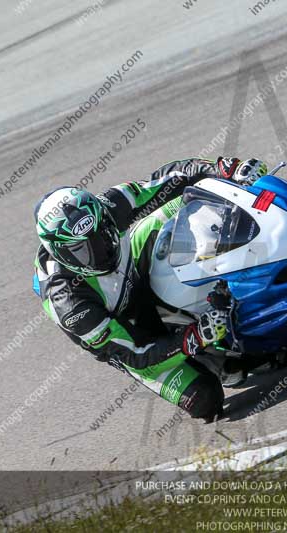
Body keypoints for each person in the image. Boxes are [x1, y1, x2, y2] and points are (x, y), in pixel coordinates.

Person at [32, 156, 268, 421]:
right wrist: (197, 336)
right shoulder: (71, 305)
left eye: (103, 234)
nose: (101, 252)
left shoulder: (108, 206)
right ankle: (210, 358)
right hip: (128, 330)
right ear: (61, 253)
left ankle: (258, 247)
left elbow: (173, 178)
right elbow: (137, 354)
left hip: (133, 265)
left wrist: (223, 171)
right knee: (205, 399)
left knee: (192, 196)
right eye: (83, 251)